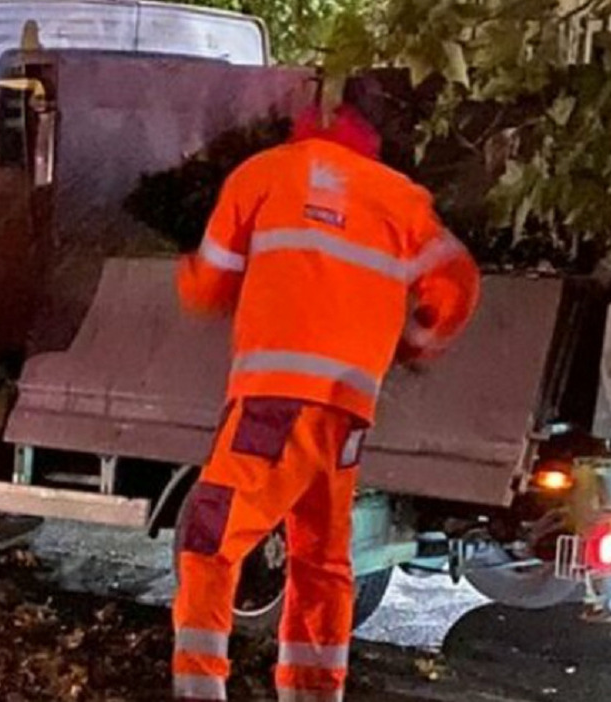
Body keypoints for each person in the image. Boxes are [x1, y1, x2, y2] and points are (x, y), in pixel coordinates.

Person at [170, 100, 481, 702]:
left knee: (210, 538)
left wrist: (191, 279)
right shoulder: (399, 197)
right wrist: (416, 340)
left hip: (272, 402)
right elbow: (458, 281)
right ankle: (314, 691)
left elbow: (208, 284)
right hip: (346, 413)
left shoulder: (263, 174)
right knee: (319, 557)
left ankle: (198, 688)